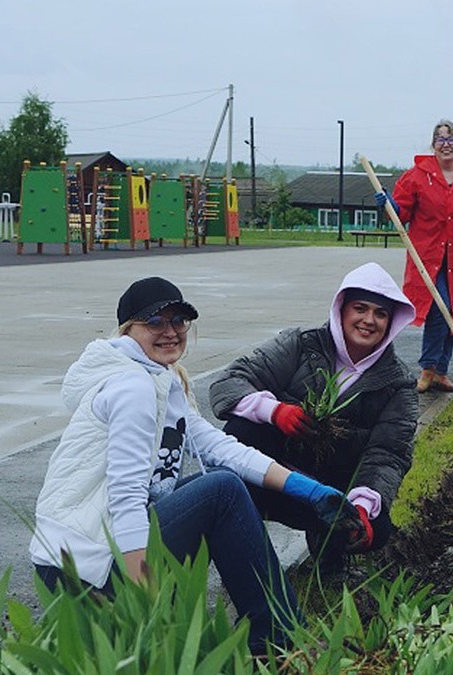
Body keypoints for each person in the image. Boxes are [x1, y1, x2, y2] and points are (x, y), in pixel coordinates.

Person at [29, 276, 358, 654]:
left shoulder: (160, 380)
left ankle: (273, 635)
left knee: (220, 479)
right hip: (85, 572)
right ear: (127, 330)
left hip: (101, 554)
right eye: (155, 322)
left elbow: (219, 447)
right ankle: (280, 641)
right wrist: (143, 603)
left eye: (178, 321)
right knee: (221, 491)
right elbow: (125, 497)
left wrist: (307, 488)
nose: (170, 332)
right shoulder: (132, 388)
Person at [209, 262, 418, 572]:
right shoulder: (301, 344)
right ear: (341, 309)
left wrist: (360, 507)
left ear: (391, 323)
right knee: (243, 430)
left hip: (332, 491)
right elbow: (229, 382)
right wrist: (275, 411)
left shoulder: (398, 381)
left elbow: (388, 453)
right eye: (360, 308)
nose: (368, 320)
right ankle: (243, 543)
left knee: (378, 527)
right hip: (280, 476)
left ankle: (329, 551)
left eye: (380, 313)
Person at [374, 119, 453, 394]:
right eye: (440, 139)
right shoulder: (416, 176)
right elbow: (402, 213)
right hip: (428, 257)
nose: (445, 144)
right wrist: (390, 206)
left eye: (451, 138)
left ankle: (441, 372)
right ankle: (428, 368)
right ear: (433, 145)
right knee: (438, 310)